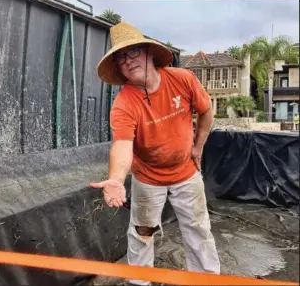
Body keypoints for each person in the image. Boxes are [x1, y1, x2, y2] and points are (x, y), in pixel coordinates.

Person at [90, 22, 220, 285]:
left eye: (133, 51)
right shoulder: (124, 104)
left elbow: (206, 111)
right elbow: (122, 145)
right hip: (147, 179)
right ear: (118, 67)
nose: (128, 60)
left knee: (198, 230)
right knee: (142, 233)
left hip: (186, 173)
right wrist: (116, 178)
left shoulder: (182, 79)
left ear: (149, 52)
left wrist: (198, 146)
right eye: (121, 57)